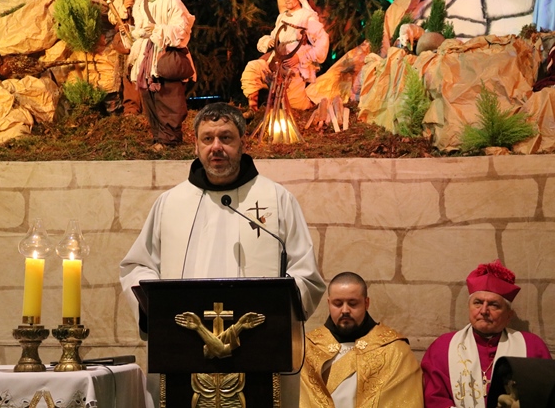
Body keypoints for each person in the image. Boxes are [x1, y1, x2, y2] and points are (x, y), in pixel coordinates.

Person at [119, 102, 326, 406]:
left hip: (262, 354)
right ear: (196, 145)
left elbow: (306, 273)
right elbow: (137, 266)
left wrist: (280, 308)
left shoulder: (276, 199)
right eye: (207, 138)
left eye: (226, 138)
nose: (216, 147)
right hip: (182, 354)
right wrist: (156, 306)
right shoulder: (171, 203)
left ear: (243, 143)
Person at [421, 259, 552, 408]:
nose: (483, 311)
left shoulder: (532, 347)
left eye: (493, 305)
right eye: (477, 303)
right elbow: (434, 399)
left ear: (509, 315)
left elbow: (545, 398)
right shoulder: (442, 348)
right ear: (469, 307)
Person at [300, 272, 424, 408]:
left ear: (366, 303)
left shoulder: (395, 350)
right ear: (329, 303)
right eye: (338, 304)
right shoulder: (306, 349)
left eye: (353, 303)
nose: (345, 310)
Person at [241, 0, 329, 114]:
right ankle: (253, 109)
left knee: (295, 103)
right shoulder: (282, 17)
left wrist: (300, 57)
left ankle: (314, 104)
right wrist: (269, 41)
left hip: (293, 65)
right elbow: (274, 35)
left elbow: (322, 41)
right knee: (253, 68)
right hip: (276, 60)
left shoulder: (307, 16)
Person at [127, 0, 195, 150]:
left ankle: (170, 140)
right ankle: (159, 137)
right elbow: (141, 29)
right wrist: (133, 32)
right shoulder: (141, 2)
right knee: (149, 97)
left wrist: (158, 29)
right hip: (146, 57)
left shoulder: (171, 0)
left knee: (168, 97)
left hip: (165, 55)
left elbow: (182, 28)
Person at [106, 0, 142, 115]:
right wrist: (123, 9)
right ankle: (132, 107)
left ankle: (147, 107)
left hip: (143, 35)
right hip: (127, 38)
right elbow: (112, 17)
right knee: (129, 71)